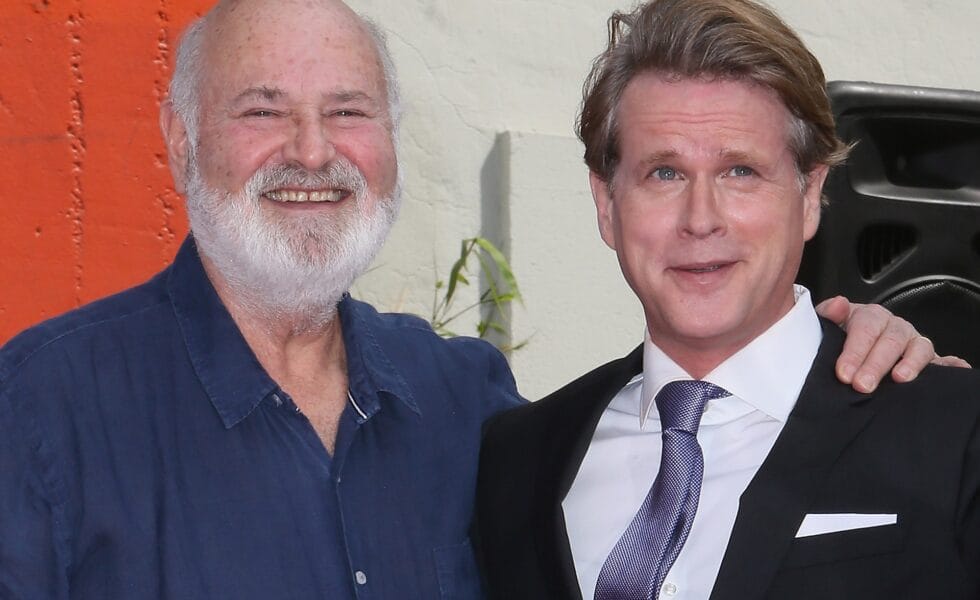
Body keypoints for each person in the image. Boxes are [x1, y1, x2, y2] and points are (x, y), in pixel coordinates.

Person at [0, 0, 956, 598]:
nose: (309, 151)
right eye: (262, 110)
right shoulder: (43, 404)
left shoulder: (471, 407)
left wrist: (886, 351)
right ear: (178, 139)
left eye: (347, 110)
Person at [475, 1, 980, 598]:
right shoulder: (514, 457)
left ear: (810, 193)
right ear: (607, 205)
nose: (700, 219)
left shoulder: (956, 428)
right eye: (664, 173)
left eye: (740, 171)